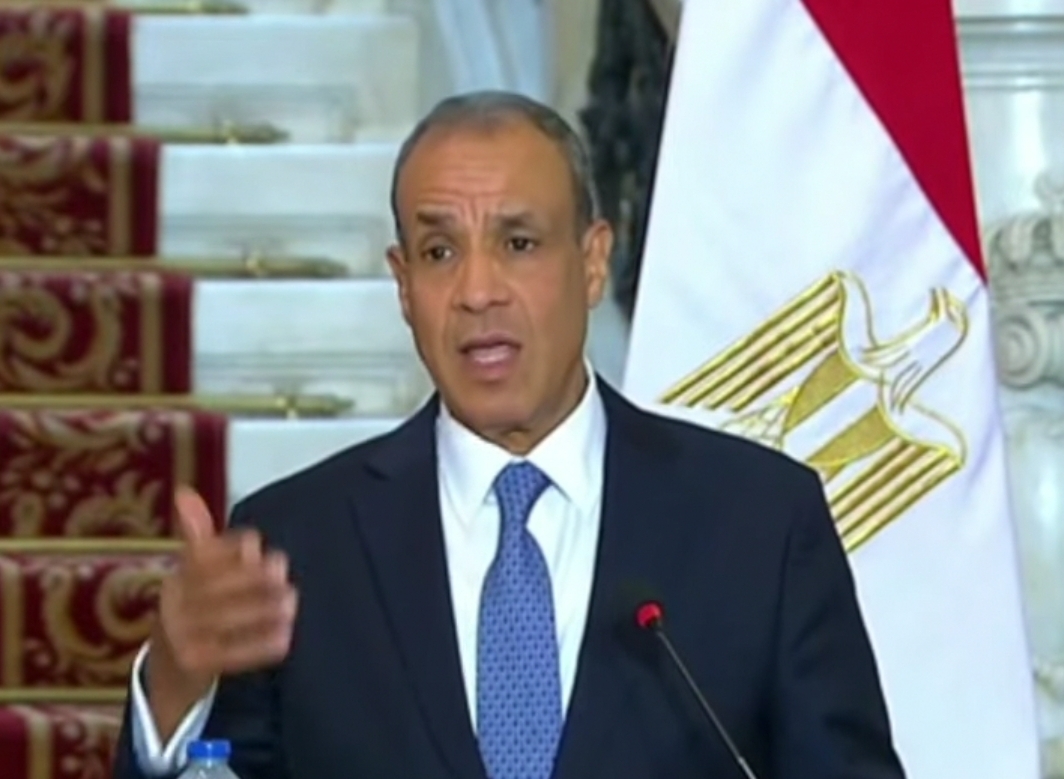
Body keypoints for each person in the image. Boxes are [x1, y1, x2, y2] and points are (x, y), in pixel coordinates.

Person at [110, 90, 906, 779]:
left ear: (593, 260)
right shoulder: (296, 543)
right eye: (439, 251)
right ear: (402, 284)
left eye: (518, 243)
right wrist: (174, 689)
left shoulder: (759, 522)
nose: (477, 290)